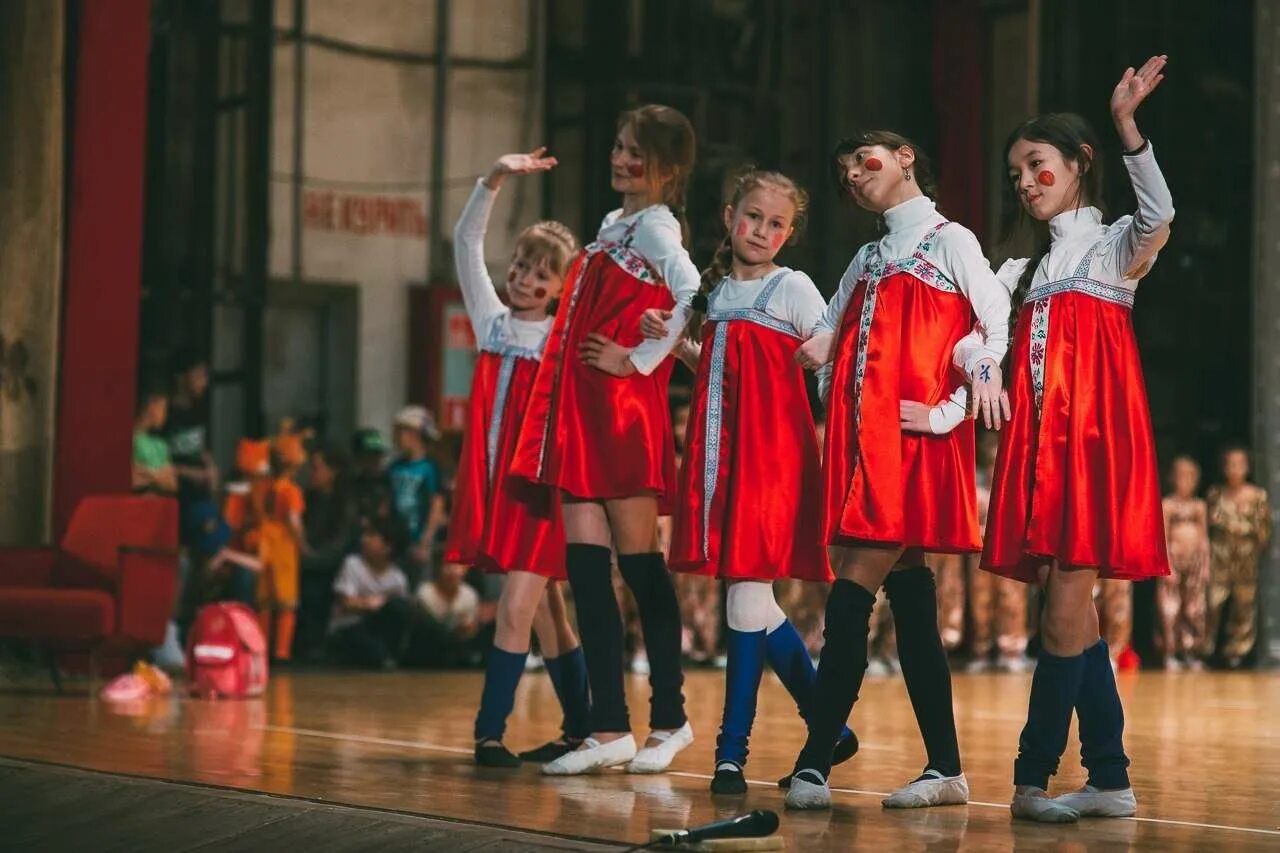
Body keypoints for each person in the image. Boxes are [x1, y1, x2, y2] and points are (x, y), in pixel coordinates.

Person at [785, 129, 1011, 811]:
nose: (853, 174)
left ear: (907, 155)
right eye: (844, 170)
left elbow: (989, 329)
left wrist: (947, 414)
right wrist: (830, 381)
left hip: (911, 446)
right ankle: (945, 767)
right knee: (911, 599)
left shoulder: (951, 240)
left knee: (851, 590)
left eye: (865, 159)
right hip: (866, 446)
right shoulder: (867, 256)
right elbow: (828, 333)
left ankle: (814, 760)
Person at [978, 57, 1174, 822]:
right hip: (1039, 451)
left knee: (1065, 608)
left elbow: (1159, 213)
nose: (1025, 181)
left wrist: (1128, 127)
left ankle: (1031, 778)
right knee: (1074, 614)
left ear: (1079, 164)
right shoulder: (1022, 266)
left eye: (1038, 165)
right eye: (1016, 172)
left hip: (1091, 448)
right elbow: (973, 333)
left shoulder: (1114, 245)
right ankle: (1111, 776)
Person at [640, 169, 859, 795]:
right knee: (751, 604)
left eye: (775, 223)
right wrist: (680, 344)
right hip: (718, 465)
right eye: (752, 217)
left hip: (773, 464)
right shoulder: (713, 297)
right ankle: (829, 726)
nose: (761, 230)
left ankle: (729, 756)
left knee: (745, 599)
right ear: (729, 215)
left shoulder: (792, 288)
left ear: (789, 234)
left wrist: (828, 347)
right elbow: (719, 371)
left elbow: (833, 343)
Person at [510, 104, 699, 775]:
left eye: (636, 152)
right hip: (584, 415)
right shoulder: (614, 224)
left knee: (641, 570)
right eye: (618, 146)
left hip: (623, 414)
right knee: (588, 573)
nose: (621, 159)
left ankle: (671, 718)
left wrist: (636, 360)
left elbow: (691, 291)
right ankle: (608, 726)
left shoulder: (655, 224)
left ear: (668, 168)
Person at [446, 149, 592, 767]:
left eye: (542, 275)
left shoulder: (564, 337)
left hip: (538, 493)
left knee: (514, 609)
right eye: (522, 266)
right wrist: (495, 179)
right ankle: (584, 729)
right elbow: (466, 240)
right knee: (547, 617)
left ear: (561, 289)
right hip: (496, 488)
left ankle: (488, 734)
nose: (526, 279)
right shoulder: (492, 322)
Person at [966, 430, 1029, 673]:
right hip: (979, 549)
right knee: (981, 600)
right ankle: (981, 649)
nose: (991, 448)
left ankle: (1011, 649)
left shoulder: (1014, 480)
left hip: (1009, 547)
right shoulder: (976, 483)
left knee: (1011, 598)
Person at [1206, 446, 1273, 668]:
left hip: (1246, 558)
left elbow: (1264, 531)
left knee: (1244, 604)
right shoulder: (1216, 494)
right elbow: (1209, 525)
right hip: (1220, 557)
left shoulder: (1257, 496)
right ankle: (1205, 648)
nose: (1235, 469)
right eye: (1230, 464)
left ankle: (1237, 652)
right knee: (1213, 601)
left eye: (1240, 464)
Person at [328, 517, 413, 669]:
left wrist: (382, 604)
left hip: (377, 628)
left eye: (372, 536)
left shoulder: (398, 577)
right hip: (348, 626)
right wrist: (371, 604)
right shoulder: (353, 564)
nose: (364, 539)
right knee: (374, 652)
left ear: (387, 547)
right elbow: (345, 602)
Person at [389, 406, 448, 585]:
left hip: (420, 541)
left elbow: (436, 503)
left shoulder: (430, 468)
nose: (399, 438)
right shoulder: (394, 467)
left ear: (416, 435)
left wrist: (426, 540)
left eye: (403, 432)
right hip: (397, 541)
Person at [165, 350, 219, 517]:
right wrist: (193, 474)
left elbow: (202, 448)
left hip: (201, 496)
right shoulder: (164, 415)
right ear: (181, 378)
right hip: (175, 498)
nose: (204, 382)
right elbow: (159, 464)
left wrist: (211, 468)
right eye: (198, 376)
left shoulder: (200, 410)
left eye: (205, 376)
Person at [132, 388, 178, 496]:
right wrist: (160, 476)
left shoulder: (160, 445)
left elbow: (172, 484)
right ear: (152, 406)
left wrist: (149, 474)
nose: (165, 415)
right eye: (163, 408)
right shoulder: (132, 440)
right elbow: (133, 480)